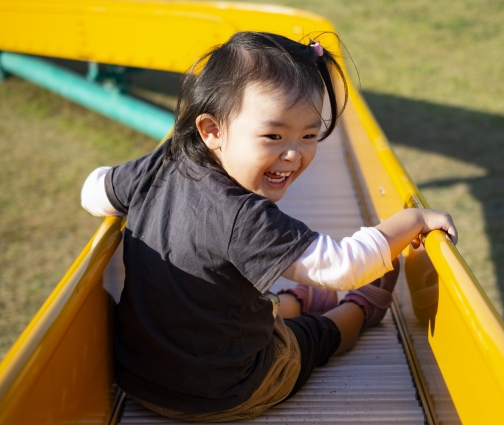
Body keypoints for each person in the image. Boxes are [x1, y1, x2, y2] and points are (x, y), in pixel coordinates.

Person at [80, 31, 458, 422]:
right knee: (309, 339)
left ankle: (297, 300)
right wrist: (412, 218)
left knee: (260, 306)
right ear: (212, 130)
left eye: (309, 135)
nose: (293, 154)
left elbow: (93, 193)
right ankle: (361, 311)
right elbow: (343, 268)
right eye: (273, 136)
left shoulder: (163, 161)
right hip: (226, 391)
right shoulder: (244, 215)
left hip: (140, 377)